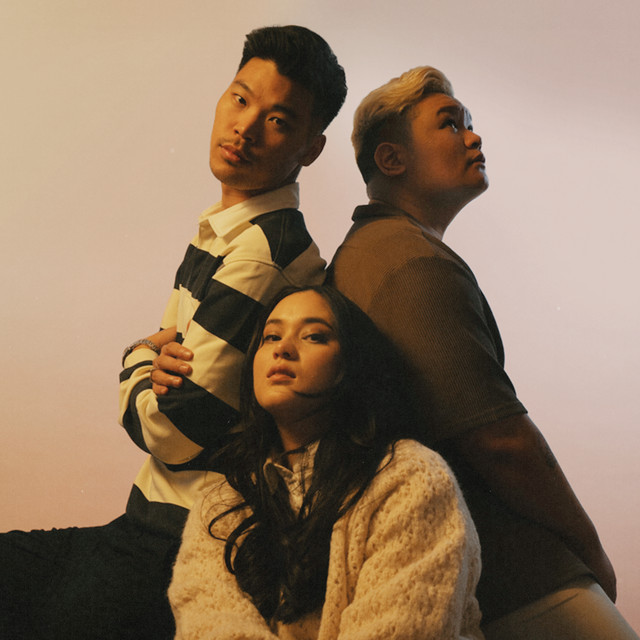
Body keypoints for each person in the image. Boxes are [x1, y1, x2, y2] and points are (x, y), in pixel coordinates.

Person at [0, 26, 346, 640]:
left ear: (310, 149)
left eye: (278, 121)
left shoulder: (259, 255)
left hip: (183, 538)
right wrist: (152, 369)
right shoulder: (228, 230)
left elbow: (172, 429)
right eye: (240, 99)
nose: (245, 127)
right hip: (153, 519)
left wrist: (135, 358)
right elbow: (171, 379)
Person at [327, 66, 639, 639]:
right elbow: (499, 441)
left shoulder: (375, 251)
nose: (473, 137)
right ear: (392, 159)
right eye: (450, 123)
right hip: (506, 571)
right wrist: (588, 549)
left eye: (470, 123)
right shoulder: (408, 259)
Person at [168, 285, 484, 640]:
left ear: (350, 364)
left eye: (314, 336)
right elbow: (208, 627)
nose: (283, 349)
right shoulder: (219, 506)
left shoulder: (410, 477)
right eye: (271, 337)